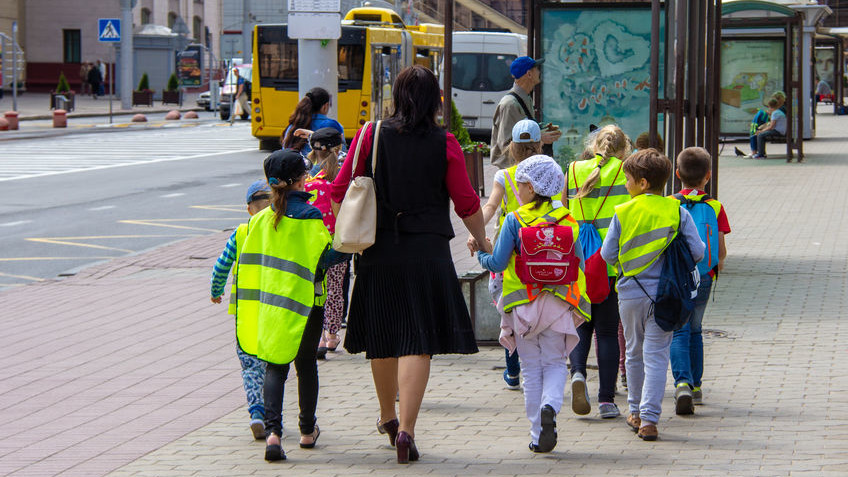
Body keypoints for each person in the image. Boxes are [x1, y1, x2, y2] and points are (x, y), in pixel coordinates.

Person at [330, 65, 489, 464]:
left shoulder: (371, 134)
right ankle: (407, 430)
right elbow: (466, 202)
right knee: (417, 340)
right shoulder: (445, 142)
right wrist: (484, 240)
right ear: (436, 99)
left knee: (383, 335)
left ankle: (386, 416)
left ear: (397, 98)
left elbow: (337, 191)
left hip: (378, 249)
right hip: (428, 250)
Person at [236, 150, 349, 461]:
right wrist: (348, 247)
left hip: (271, 305)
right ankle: (306, 431)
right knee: (306, 366)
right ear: (302, 180)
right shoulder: (310, 218)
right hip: (307, 305)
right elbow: (325, 260)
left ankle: (273, 434)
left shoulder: (260, 221)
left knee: (276, 365)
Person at [476, 155, 589, 453]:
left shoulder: (515, 219)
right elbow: (579, 263)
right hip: (558, 304)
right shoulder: (568, 219)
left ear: (530, 187)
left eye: (521, 184)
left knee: (530, 368)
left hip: (523, 304)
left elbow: (498, 262)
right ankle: (550, 406)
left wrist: (480, 253)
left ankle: (537, 435)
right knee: (554, 362)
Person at [600, 148, 705, 441]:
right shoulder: (677, 211)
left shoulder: (623, 212)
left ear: (643, 183)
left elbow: (608, 255)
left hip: (631, 295)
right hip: (667, 296)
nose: (625, 185)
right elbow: (698, 251)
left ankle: (633, 411)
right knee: (657, 356)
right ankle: (649, 420)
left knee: (633, 353)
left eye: (629, 180)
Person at [468, 118, 543, 391]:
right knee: (540, 305)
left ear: (512, 147)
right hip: (542, 249)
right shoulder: (548, 173)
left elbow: (489, 207)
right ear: (538, 145)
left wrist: (476, 232)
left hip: (509, 252)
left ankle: (513, 372)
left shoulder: (505, 176)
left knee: (509, 310)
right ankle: (539, 366)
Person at [566, 124, 632, 419]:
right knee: (606, 332)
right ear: (622, 149)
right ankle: (607, 400)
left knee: (580, 326)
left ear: (593, 144)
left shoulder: (573, 169)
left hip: (578, 261)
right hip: (609, 263)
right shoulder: (625, 170)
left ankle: (578, 374)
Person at [669, 147, 730, 415]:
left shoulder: (670, 204)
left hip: (675, 276)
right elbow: (722, 251)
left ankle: (681, 381)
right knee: (696, 329)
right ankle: (696, 386)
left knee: (678, 330)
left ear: (677, 173)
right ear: (708, 176)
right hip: (703, 275)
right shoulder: (715, 206)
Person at [210, 180, 272, 440]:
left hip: (245, 313)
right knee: (272, 363)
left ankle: (256, 411)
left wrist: (216, 291)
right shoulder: (279, 229)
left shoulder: (241, 233)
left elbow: (221, 265)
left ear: (249, 210)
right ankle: (272, 413)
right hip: (275, 309)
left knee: (249, 364)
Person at [303, 128, 346, 359]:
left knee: (315, 287)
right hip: (336, 242)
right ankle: (331, 334)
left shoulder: (305, 174)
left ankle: (317, 335)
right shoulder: (340, 174)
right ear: (337, 148)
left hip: (311, 242)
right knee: (335, 289)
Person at [490, 56, 561, 169]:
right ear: (529, 74)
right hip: (512, 174)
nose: (539, 72)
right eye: (536, 69)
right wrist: (540, 138)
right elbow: (506, 146)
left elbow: (522, 135)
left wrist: (543, 131)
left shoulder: (525, 98)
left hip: (522, 169)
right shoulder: (509, 104)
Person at [282, 87, 345, 154]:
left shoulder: (293, 126)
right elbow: (341, 151)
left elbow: (285, 149)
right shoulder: (334, 126)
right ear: (325, 106)